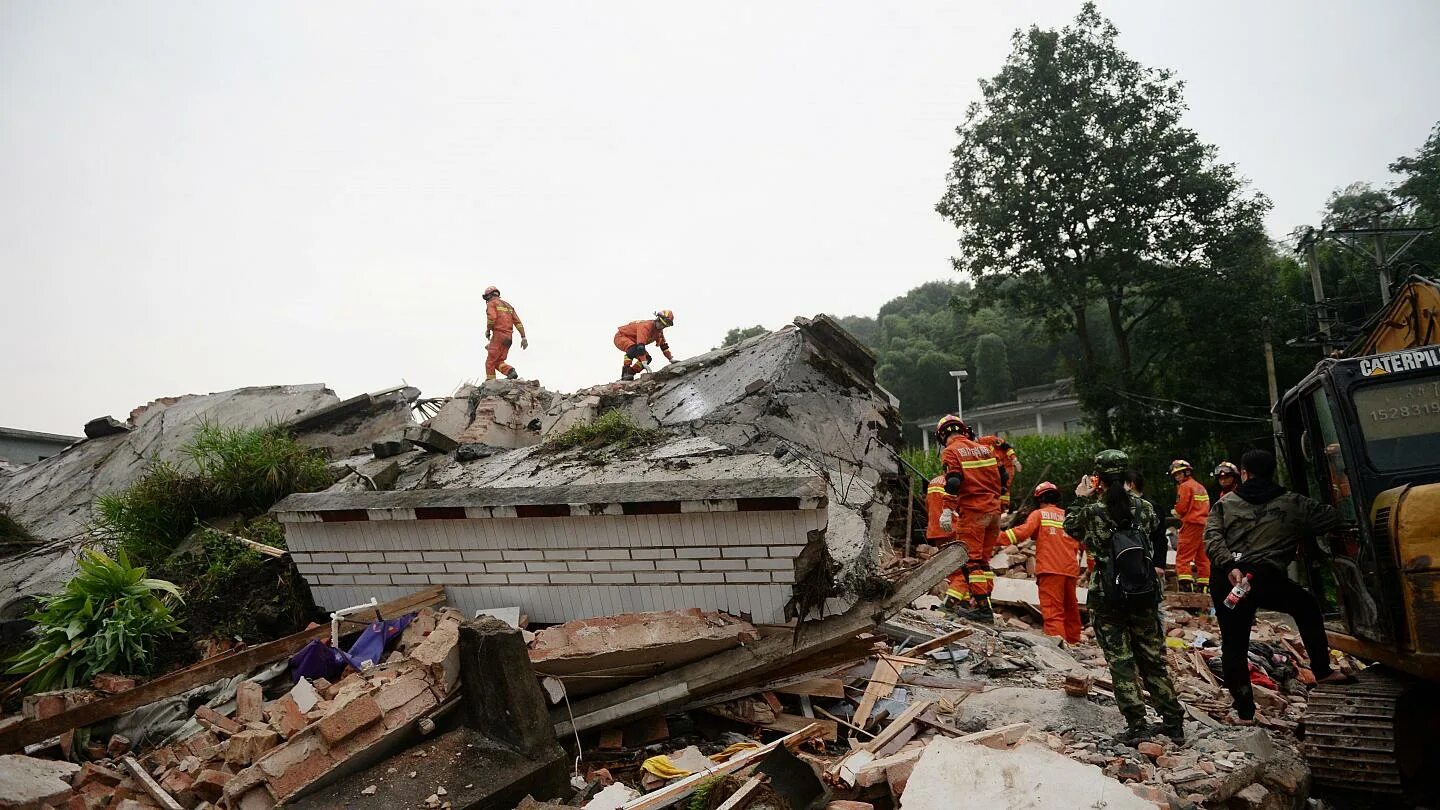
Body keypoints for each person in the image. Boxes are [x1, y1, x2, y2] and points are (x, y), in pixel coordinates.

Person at [1205, 449, 1355, 723]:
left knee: (1234, 643)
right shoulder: (1293, 503)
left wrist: (1229, 565)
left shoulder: (1225, 504)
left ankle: (1245, 711)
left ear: (1244, 473)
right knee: (1306, 606)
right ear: (1272, 471)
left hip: (1229, 579)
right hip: (1266, 578)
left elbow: (1212, 539)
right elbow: (1332, 517)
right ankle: (1322, 669)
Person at [1065, 449, 1185, 745]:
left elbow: (1070, 526)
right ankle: (1173, 722)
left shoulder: (1093, 510)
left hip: (1108, 595)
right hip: (1144, 592)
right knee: (1152, 659)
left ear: (1098, 478)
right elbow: (1156, 528)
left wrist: (1082, 496)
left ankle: (1137, 725)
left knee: (1121, 661)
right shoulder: (1144, 508)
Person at [938, 415, 1005, 615]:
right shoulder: (985, 449)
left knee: (971, 562)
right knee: (983, 562)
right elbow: (1004, 477)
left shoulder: (951, 452)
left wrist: (947, 510)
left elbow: (954, 483)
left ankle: (983, 610)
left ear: (942, 436)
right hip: (994, 513)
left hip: (974, 513)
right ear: (964, 430)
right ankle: (987, 605)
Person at [1003, 482, 1082, 643]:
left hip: (1050, 570)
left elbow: (1022, 533)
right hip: (1070, 570)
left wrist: (996, 538)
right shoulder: (1069, 516)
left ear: (1039, 499)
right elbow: (1084, 542)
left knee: (1053, 612)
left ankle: (1058, 648)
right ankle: (1074, 643)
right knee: (1071, 610)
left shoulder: (1039, 514)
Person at [1170, 459, 1212, 592]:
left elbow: (1181, 507)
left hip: (1191, 525)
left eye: (1179, 474)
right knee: (1202, 557)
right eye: (1175, 475)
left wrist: (1175, 512)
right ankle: (1204, 586)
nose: (1177, 477)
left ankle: (1186, 586)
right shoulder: (1200, 487)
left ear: (1186, 472)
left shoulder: (1185, 487)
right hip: (1204, 525)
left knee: (1183, 556)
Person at [924, 473, 967, 603]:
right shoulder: (955, 483)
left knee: (951, 568)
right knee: (962, 569)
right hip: (952, 529)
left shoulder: (933, 482)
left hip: (936, 530)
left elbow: (928, 505)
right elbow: (962, 506)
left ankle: (959, 600)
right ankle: (954, 602)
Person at [1125, 470, 1170, 591]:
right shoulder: (1122, 507)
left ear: (1131, 484)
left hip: (1148, 562)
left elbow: (1160, 537)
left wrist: (1159, 564)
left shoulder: (1152, 507)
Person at [482, 286, 528, 380]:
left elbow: (492, 318)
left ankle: (491, 383)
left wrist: (488, 330)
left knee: (490, 362)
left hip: (498, 335)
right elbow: (518, 323)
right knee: (498, 361)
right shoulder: (509, 306)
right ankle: (510, 371)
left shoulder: (492, 303)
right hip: (509, 338)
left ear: (489, 296)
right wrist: (523, 337)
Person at [615, 310, 676, 381]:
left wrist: (671, 359)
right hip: (622, 336)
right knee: (633, 349)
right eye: (661, 323)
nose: (661, 326)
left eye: (664, 326)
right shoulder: (646, 326)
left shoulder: (659, 332)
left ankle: (631, 372)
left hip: (635, 341)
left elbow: (664, 346)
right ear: (658, 319)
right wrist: (643, 362)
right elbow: (640, 347)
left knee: (648, 358)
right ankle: (625, 371)